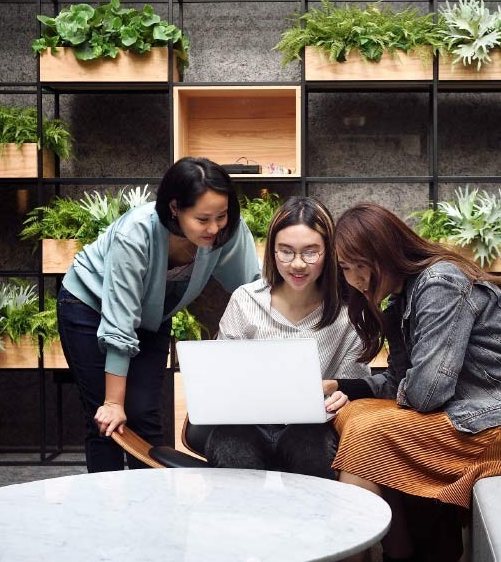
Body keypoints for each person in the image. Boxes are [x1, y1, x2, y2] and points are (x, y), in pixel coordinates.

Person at [329, 203, 501, 562]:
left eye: (361, 265)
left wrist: (399, 392)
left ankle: (383, 555)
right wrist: (341, 388)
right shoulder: (402, 300)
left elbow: (428, 392)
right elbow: (401, 382)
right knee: (352, 415)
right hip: (479, 413)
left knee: (367, 431)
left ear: (387, 253)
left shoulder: (439, 282)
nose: (355, 278)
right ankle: (404, 552)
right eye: (347, 268)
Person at [57, 157, 260, 473]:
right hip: (90, 307)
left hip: (152, 316)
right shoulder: (135, 234)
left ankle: (152, 509)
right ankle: (106, 513)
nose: (214, 227)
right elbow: (119, 322)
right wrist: (113, 403)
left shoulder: (226, 230)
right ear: (175, 208)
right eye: (203, 218)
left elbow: (254, 289)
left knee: (145, 414)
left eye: (222, 215)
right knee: (106, 420)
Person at [202, 196, 370, 479]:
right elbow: (222, 380)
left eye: (311, 252)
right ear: (272, 252)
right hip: (246, 424)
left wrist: (341, 397)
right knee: (231, 443)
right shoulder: (246, 300)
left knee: (311, 444)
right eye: (286, 252)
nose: (298, 264)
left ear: (329, 252)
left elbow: (348, 390)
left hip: (311, 429)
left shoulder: (349, 313)